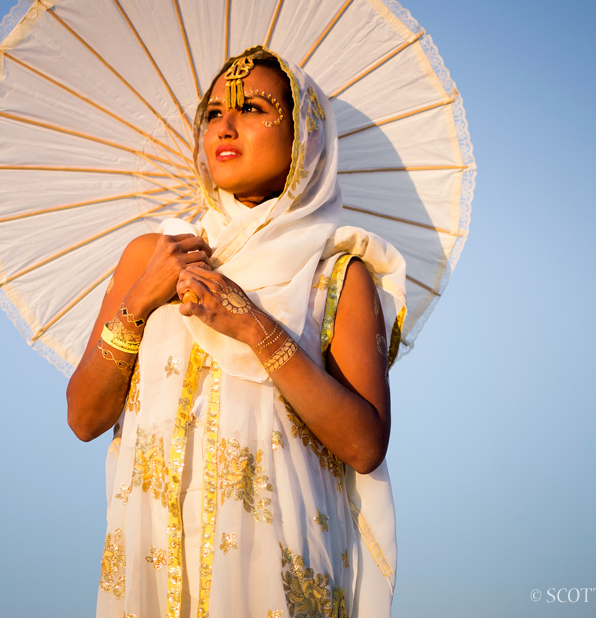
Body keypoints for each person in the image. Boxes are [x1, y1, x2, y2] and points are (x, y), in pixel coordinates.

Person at [66, 46, 407, 618]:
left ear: (306, 138)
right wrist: (141, 300)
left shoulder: (336, 273)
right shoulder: (154, 256)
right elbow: (83, 418)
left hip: (274, 564)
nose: (225, 124)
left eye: (252, 107)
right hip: (155, 555)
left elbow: (365, 445)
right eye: (214, 112)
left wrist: (256, 328)